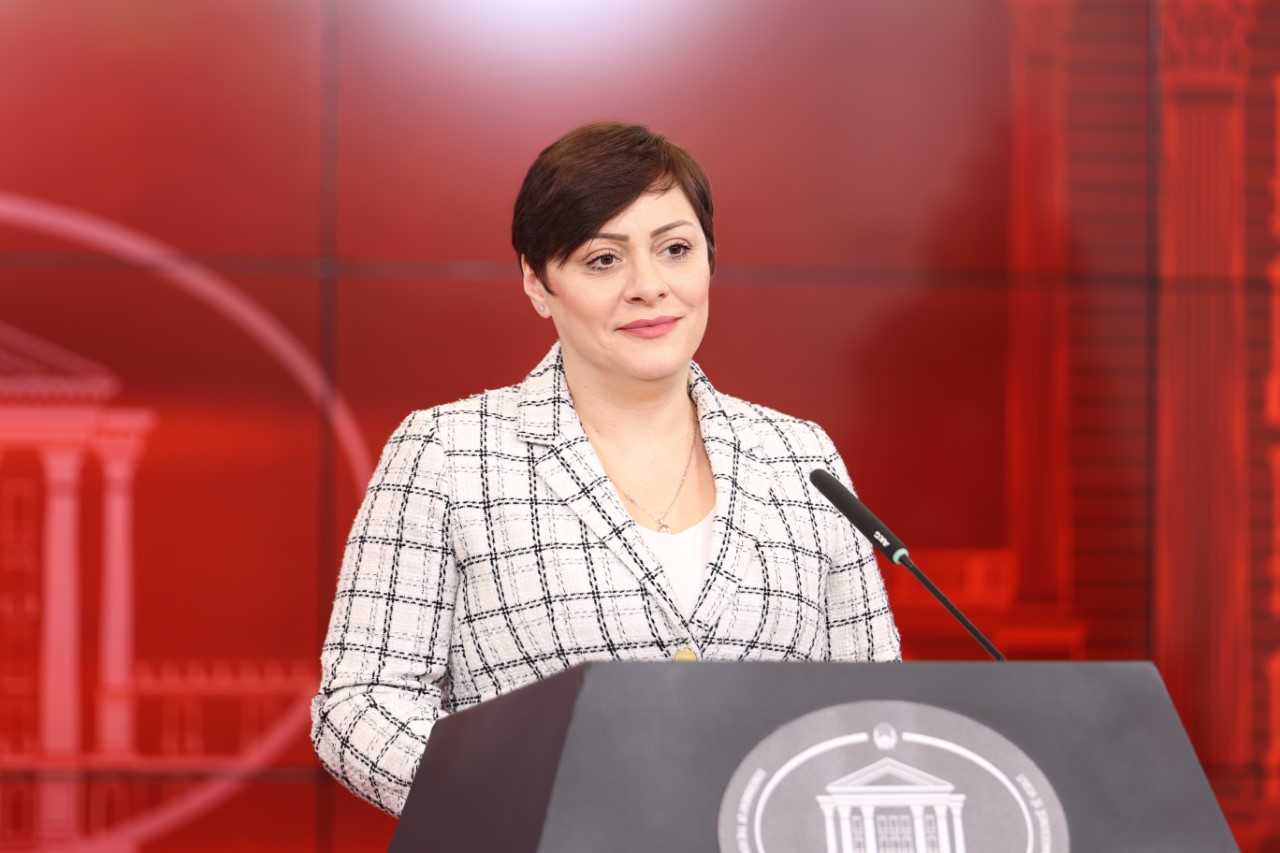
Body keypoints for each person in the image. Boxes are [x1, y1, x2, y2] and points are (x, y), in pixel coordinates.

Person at [310, 122, 901, 815]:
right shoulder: (448, 453)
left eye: (675, 250)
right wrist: (527, 802)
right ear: (537, 283)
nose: (649, 287)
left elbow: (871, 707)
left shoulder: (800, 458)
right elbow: (360, 705)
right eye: (602, 260)